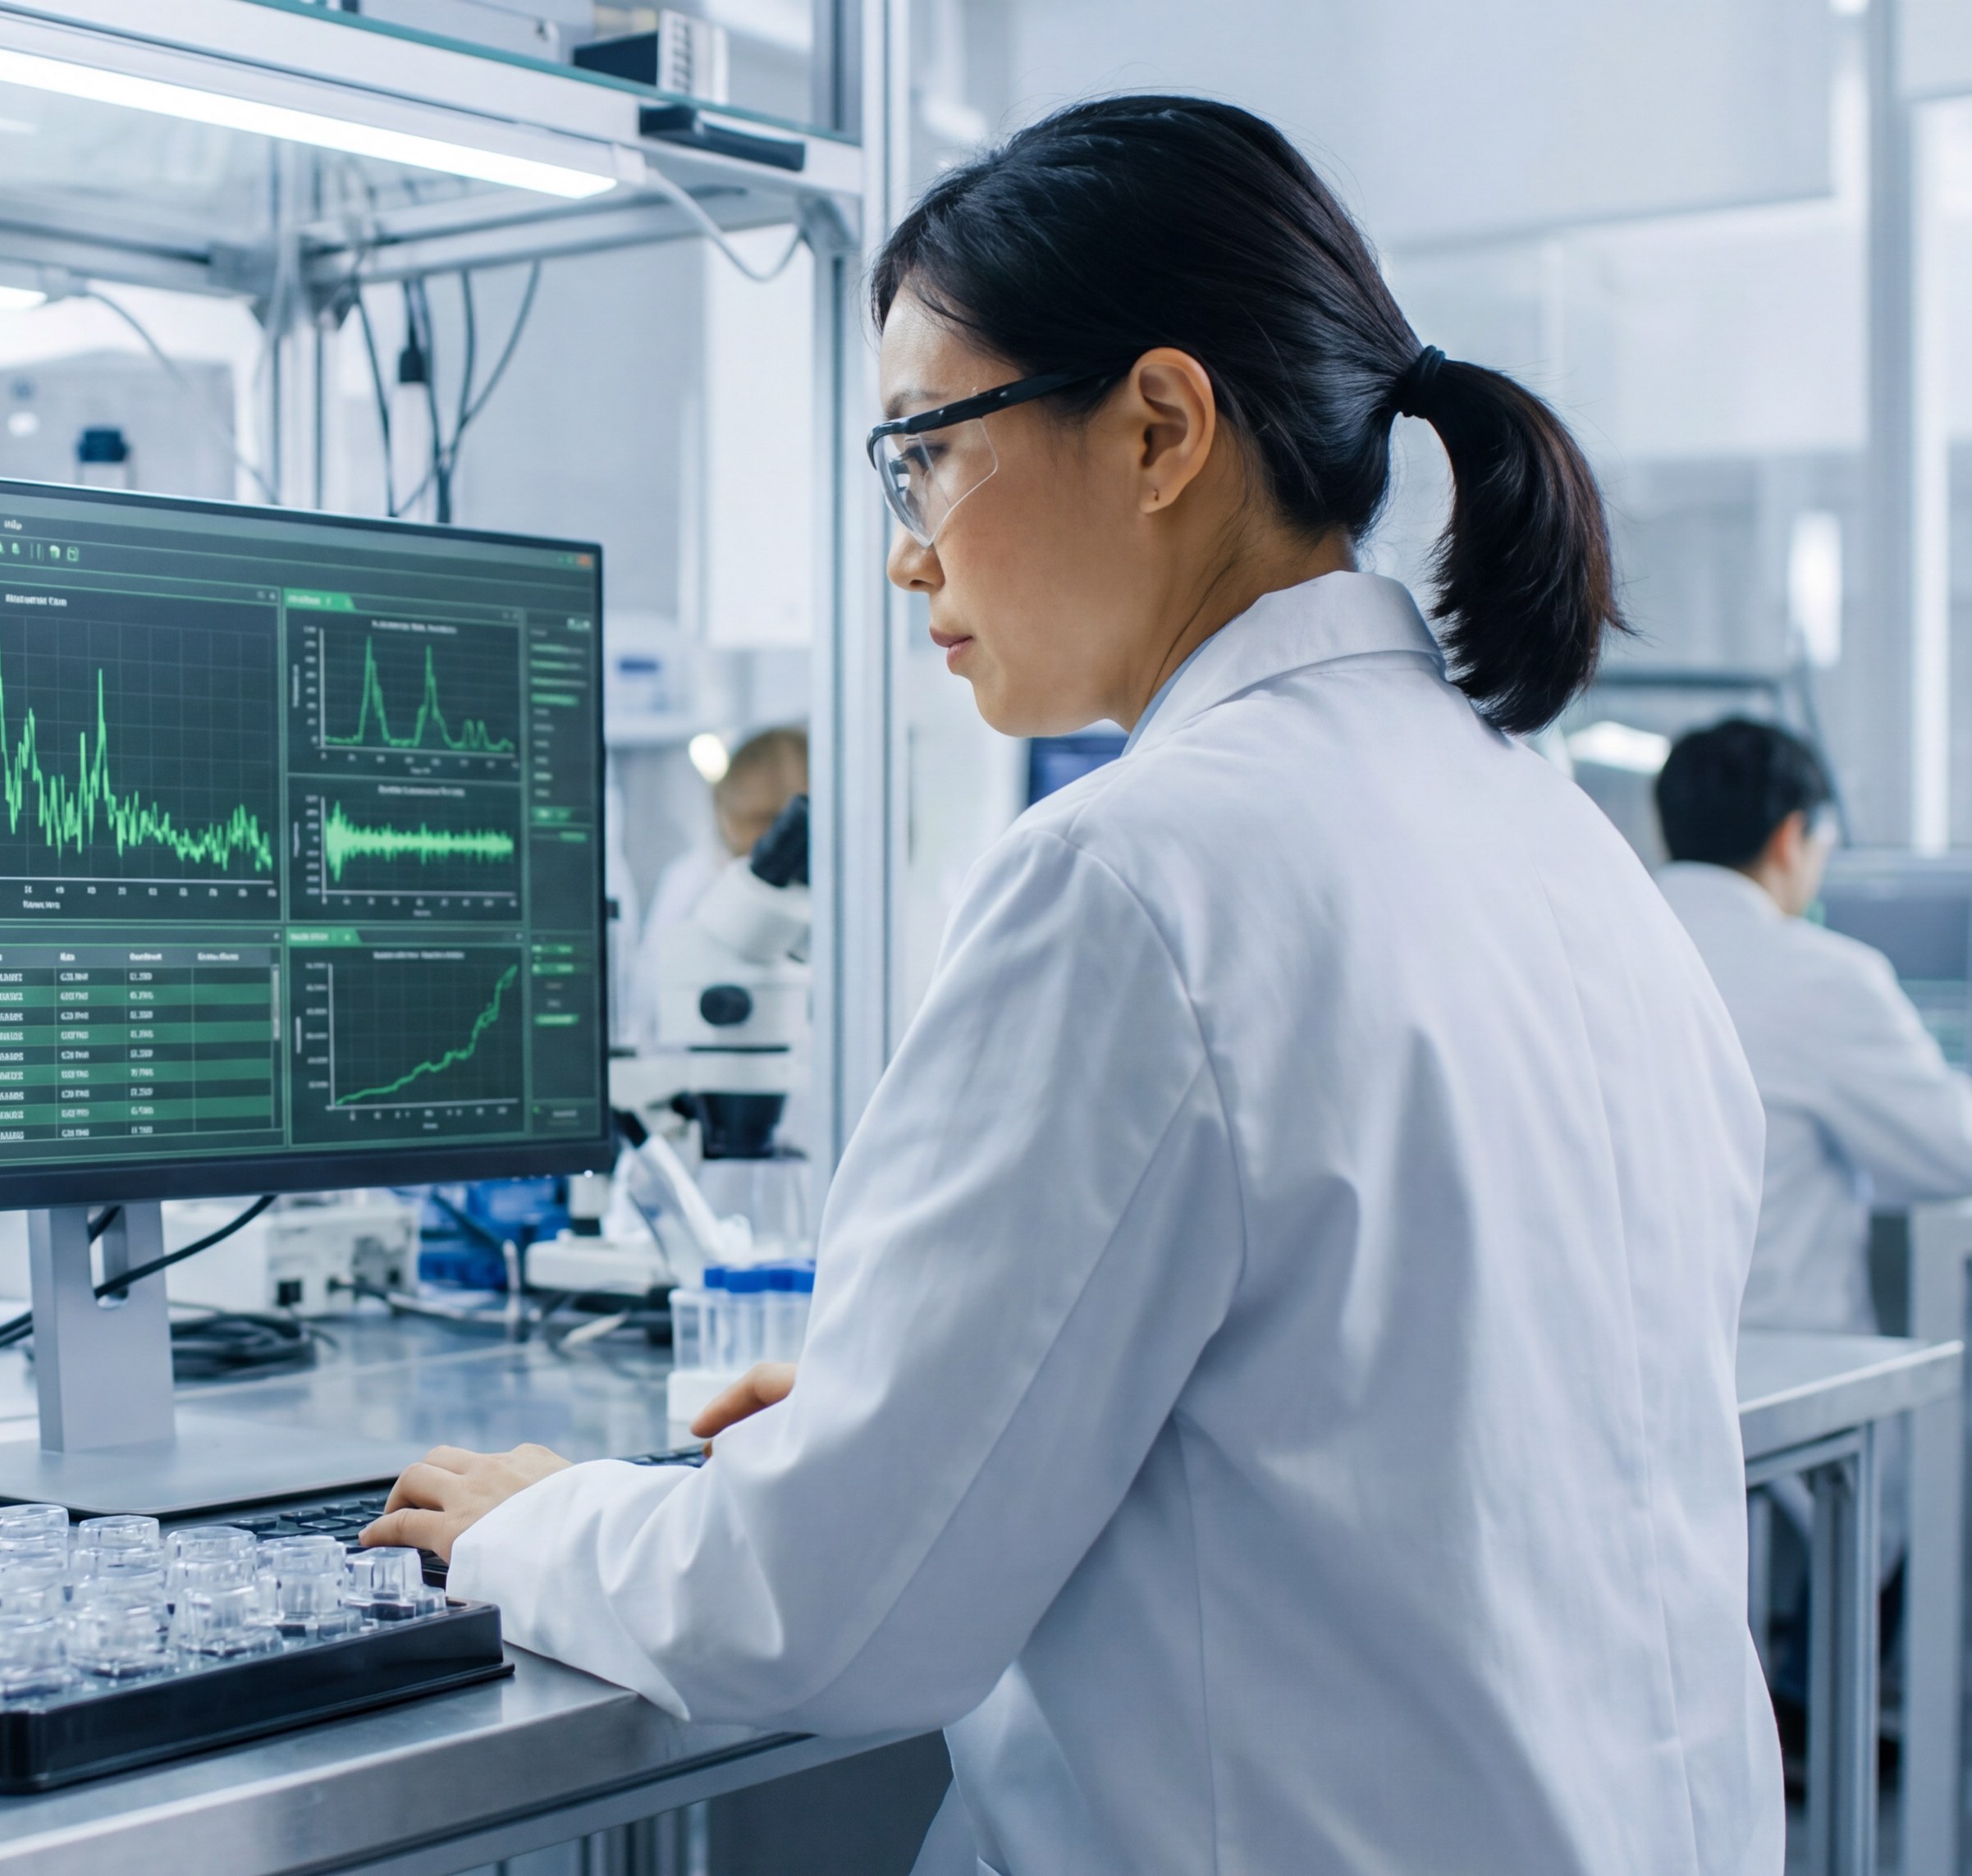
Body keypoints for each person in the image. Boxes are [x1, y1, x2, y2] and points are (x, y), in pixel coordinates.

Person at [367, 95, 1782, 1870]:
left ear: (1159, 427)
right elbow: (1404, 1420)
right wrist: (952, 1409)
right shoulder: (1559, 843)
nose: (904, 551)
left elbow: (821, 1623)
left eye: (921, 451)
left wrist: (536, 1521)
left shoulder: (1136, 874)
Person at [1650, 718, 1972, 1335]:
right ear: (1792, 838)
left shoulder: (1596, 947)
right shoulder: (1816, 974)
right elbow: (1969, 1160)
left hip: (1623, 1373)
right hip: (1783, 1374)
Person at [624, 725, 808, 1045]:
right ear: (724, 813)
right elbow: (648, 1008)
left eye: (783, 818)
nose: (771, 835)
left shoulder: (843, 892)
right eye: (758, 819)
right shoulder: (691, 882)